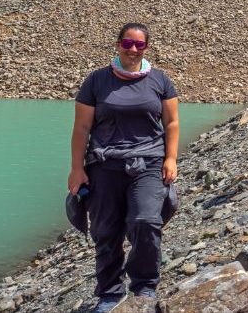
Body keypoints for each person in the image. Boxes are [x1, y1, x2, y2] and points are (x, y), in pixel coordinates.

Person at [67, 23, 179, 312]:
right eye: (128, 43)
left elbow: (171, 122)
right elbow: (81, 127)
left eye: (139, 45)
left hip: (149, 161)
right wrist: (77, 169)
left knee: (145, 221)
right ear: (118, 44)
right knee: (106, 230)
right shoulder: (97, 81)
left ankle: (144, 286)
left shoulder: (160, 80)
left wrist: (171, 158)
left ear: (146, 48)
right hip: (104, 164)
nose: (133, 50)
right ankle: (109, 293)